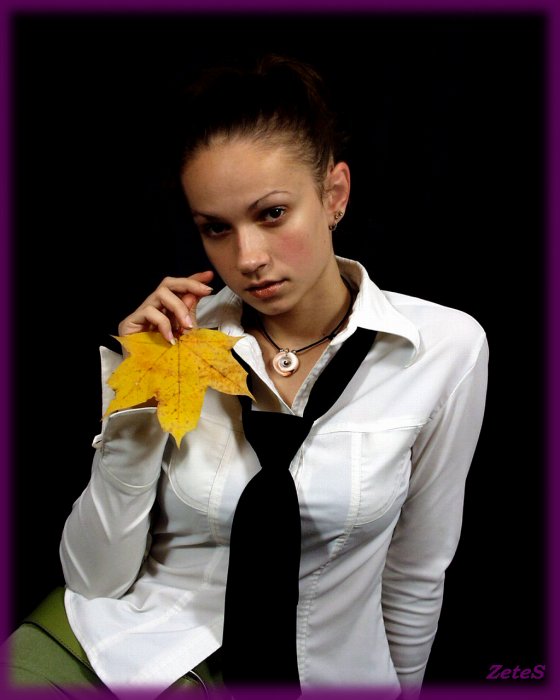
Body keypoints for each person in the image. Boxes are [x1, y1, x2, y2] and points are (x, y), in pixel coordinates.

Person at [1, 54, 488, 700]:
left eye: (272, 214)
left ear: (334, 195)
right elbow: (94, 578)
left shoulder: (443, 348)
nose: (248, 258)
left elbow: (417, 570)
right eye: (215, 229)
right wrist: (135, 400)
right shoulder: (176, 343)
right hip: (122, 659)